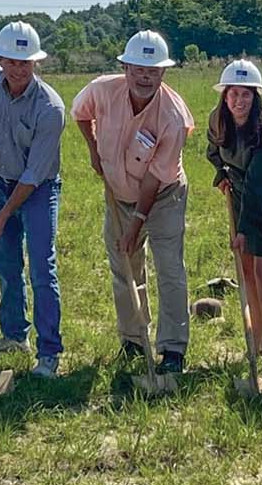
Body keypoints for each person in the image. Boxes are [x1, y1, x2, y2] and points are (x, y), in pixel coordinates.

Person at [70, 29, 194, 375]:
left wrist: (137, 222)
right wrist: (93, 150)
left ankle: (172, 349)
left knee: (169, 268)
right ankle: (134, 338)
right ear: (125, 69)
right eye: (138, 68)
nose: (144, 76)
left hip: (164, 194)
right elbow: (80, 113)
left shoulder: (173, 117)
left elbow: (156, 176)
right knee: (124, 266)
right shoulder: (101, 90)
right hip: (118, 193)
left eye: (152, 70)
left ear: (163, 73)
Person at [0, 21, 68, 378]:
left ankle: (49, 352)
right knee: (6, 263)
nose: (18, 68)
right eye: (11, 61)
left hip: (37, 189)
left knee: (42, 267)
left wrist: (3, 214)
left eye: (25, 62)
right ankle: (13, 336)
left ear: (36, 63)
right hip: (0, 179)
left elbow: (33, 175)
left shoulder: (50, 108)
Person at [206, 59, 262, 364]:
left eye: (246, 95)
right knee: (246, 271)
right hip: (242, 193)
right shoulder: (218, 121)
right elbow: (213, 150)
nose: (238, 101)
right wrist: (222, 174)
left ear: (255, 98)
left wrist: (243, 230)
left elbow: (259, 189)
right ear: (225, 95)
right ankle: (255, 338)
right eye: (233, 94)